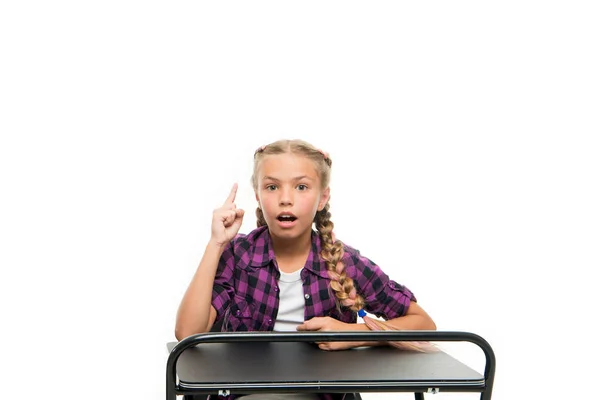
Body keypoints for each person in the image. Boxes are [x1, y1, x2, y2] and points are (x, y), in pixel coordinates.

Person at [175, 139, 436, 399]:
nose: (285, 199)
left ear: (322, 198)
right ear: (258, 196)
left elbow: (423, 324)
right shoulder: (237, 255)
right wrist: (216, 243)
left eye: (301, 187)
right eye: (272, 187)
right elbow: (187, 333)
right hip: (245, 393)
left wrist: (353, 334)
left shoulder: (344, 261)